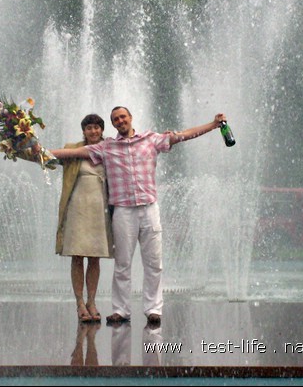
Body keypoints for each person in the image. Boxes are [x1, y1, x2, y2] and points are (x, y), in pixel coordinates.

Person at [51, 106, 227, 325]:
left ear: (130, 118)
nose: (120, 121)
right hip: (123, 211)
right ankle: (121, 310)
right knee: (122, 264)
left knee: (154, 263)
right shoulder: (106, 147)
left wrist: (213, 125)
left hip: (149, 208)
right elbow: (69, 154)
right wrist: (30, 150)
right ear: (113, 124)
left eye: (123, 117)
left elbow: (183, 136)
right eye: (116, 119)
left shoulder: (151, 140)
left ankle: (153, 309)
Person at [56, 114, 113, 323]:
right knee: (77, 256)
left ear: (102, 130)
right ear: (83, 131)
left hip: (100, 208)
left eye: (97, 128)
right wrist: (25, 147)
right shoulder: (72, 149)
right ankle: (80, 303)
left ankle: (92, 301)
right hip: (77, 208)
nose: (93, 131)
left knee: (95, 257)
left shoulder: (111, 149)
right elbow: (50, 159)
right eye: (89, 128)